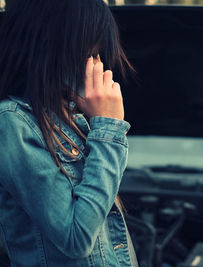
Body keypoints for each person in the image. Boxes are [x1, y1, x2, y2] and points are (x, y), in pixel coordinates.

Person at [0, 0, 138, 266]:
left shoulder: (69, 118)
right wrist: (108, 125)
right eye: (90, 53)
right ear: (51, 47)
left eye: (99, 54)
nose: (98, 66)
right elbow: (77, 239)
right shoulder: (12, 123)